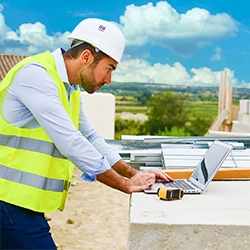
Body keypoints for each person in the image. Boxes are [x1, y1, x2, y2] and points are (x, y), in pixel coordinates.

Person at [0, 18, 173, 249]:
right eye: (109, 69)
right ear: (87, 57)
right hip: (7, 200)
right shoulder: (36, 76)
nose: (109, 80)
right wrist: (124, 185)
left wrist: (132, 173)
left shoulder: (69, 88)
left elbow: (89, 137)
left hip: (20, 201)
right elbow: (71, 142)